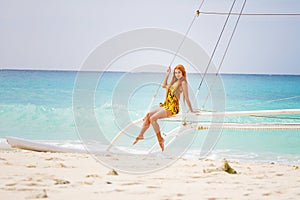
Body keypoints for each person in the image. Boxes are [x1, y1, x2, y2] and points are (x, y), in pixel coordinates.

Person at [133, 64, 196, 151]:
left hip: (172, 107)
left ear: (183, 73)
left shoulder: (183, 82)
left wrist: (191, 110)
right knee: (148, 115)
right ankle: (141, 135)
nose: (177, 74)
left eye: (179, 72)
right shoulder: (174, 81)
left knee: (153, 118)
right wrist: (167, 74)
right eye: (176, 73)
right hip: (166, 105)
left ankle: (160, 139)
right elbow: (163, 85)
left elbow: (186, 97)